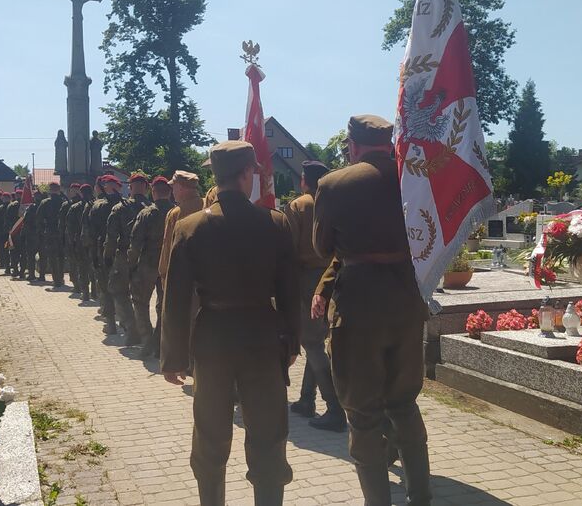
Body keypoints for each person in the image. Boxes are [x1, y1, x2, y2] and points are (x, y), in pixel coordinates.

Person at [161, 140, 300, 506]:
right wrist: (291, 343)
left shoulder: (189, 227)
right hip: (262, 335)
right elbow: (290, 293)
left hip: (213, 337)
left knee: (210, 434)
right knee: (268, 433)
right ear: (245, 174)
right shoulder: (275, 223)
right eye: (254, 170)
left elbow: (174, 298)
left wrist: (173, 358)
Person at [311, 115, 431, 505]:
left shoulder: (333, 184)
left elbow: (322, 247)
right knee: (404, 403)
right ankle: (422, 496)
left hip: (359, 306)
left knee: (362, 414)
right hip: (407, 300)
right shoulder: (415, 179)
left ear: (353, 144)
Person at [285, 160, 346, 432]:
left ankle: (334, 407)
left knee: (311, 343)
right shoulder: (337, 202)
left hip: (306, 279)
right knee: (316, 340)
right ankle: (306, 399)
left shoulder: (298, 206)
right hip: (333, 277)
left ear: (304, 180)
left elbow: (287, 248)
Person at [147, 170, 204, 358]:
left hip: (180, 278)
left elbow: (167, 249)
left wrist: (163, 276)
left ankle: (187, 361)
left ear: (181, 188)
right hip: (206, 278)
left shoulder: (176, 213)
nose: (172, 191)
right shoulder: (208, 205)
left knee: (181, 320)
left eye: (173, 187)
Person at [125, 175, 173, 351]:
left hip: (147, 265)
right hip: (168, 266)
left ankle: (146, 339)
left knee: (139, 301)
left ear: (153, 192)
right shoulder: (176, 212)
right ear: (170, 192)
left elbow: (135, 243)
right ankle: (160, 340)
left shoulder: (146, 213)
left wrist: (130, 266)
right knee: (164, 305)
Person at [103, 173, 150, 344]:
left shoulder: (119, 208)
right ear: (146, 187)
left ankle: (132, 329)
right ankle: (148, 333)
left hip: (123, 256)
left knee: (119, 291)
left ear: (129, 187)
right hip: (147, 259)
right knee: (142, 298)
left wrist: (107, 257)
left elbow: (111, 236)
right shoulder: (153, 208)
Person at [89, 175, 123, 332]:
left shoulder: (97, 206)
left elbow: (91, 233)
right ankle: (125, 322)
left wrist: (94, 254)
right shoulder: (126, 204)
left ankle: (110, 323)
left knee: (106, 287)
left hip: (104, 251)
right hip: (123, 251)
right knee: (123, 287)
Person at [37, 182, 67, 287]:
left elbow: (39, 218)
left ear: (50, 190)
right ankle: (61, 277)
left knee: (52, 257)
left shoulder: (45, 202)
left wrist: (42, 231)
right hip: (62, 233)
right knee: (61, 256)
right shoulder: (64, 202)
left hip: (49, 233)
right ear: (58, 189)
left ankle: (57, 280)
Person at [63, 184, 85, 293]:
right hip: (79, 238)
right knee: (80, 263)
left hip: (75, 238)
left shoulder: (70, 205)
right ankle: (80, 285)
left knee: (76, 263)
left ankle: (78, 285)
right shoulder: (86, 204)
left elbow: (62, 223)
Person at [0, 192, 12, 271]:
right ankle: (14, 266)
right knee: (14, 250)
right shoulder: (15, 207)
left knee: (4, 250)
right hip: (13, 232)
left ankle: (5, 265)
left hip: (2, 233)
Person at [4, 191, 22, 275]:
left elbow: (6, 219)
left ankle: (15, 270)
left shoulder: (11, 205)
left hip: (13, 232)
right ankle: (22, 271)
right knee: (23, 252)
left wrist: (9, 230)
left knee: (13, 252)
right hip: (23, 232)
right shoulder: (27, 205)